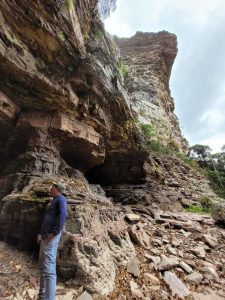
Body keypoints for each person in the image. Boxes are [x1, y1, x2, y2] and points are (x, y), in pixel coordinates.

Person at [38, 182, 67, 300]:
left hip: (50, 238)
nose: (50, 189)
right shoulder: (55, 199)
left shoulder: (61, 199)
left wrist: (54, 233)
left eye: (52, 187)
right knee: (42, 266)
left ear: (57, 189)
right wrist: (41, 234)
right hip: (45, 237)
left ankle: (48, 298)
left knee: (49, 269)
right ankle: (42, 294)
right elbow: (49, 218)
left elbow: (63, 215)